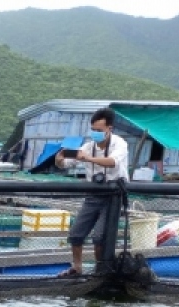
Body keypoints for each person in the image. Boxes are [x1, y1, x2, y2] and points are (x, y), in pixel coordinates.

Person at [55, 107, 129, 277]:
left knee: (100, 236)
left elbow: (112, 162)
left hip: (113, 197)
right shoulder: (88, 146)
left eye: (99, 130)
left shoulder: (120, 143)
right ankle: (77, 267)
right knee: (76, 233)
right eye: (93, 130)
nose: (95, 133)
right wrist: (59, 160)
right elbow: (67, 164)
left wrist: (87, 158)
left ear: (109, 128)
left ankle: (100, 270)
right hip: (93, 195)